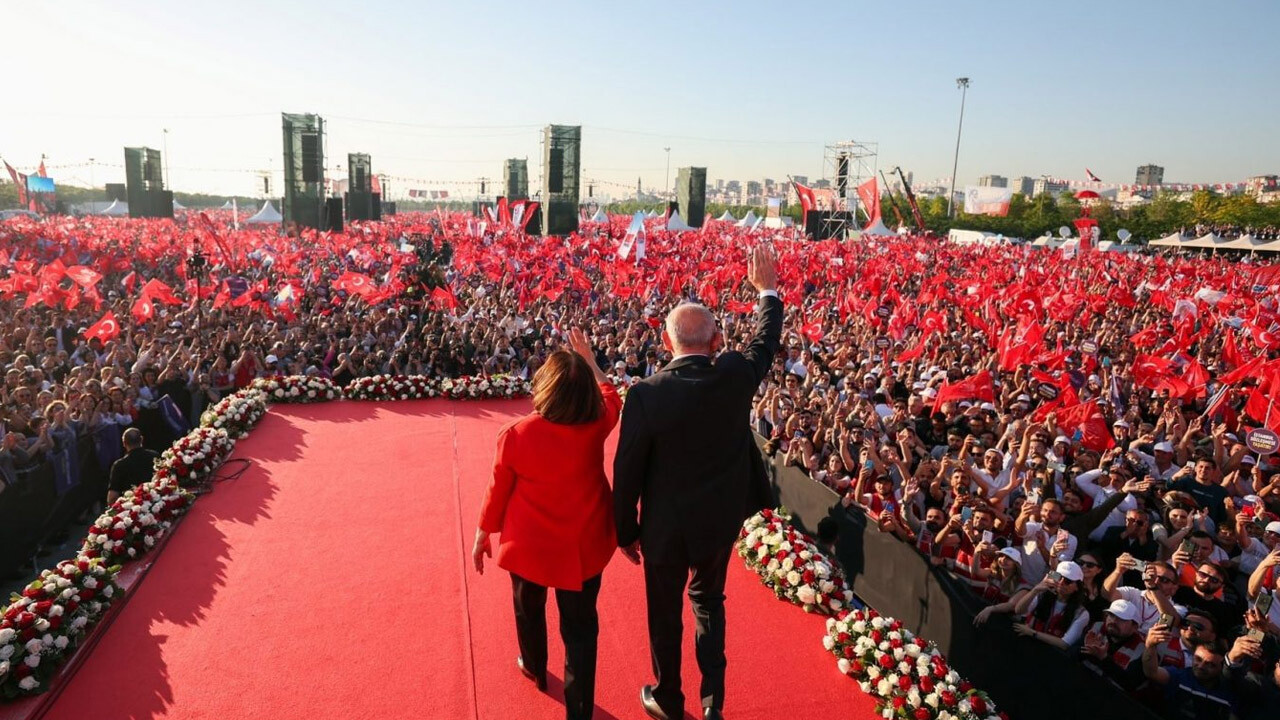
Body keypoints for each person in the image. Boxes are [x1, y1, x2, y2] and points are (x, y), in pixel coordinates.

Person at [613, 244, 782, 720]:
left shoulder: (646, 394)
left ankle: (668, 697)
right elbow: (765, 341)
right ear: (716, 341)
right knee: (709, 601)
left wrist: (624, 530)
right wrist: (766, 290)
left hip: (664, 529)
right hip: (717, 525)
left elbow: (626, 472)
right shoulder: (734, 376)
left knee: (664, 612)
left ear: (667, 344)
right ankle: (713, 702)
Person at [473, 330, 621, 720]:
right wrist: (589, 359)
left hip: (530, 546)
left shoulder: (517, 434)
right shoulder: (597, 424)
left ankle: (536, 667)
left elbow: (497, 489)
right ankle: (580, 710)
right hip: (583, 545)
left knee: (528, 610)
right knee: (581, 631)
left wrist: (482, 533)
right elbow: (612, 396)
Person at [107, 427, 157, 504]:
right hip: (156, 501)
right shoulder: (154, 456)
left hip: (131, 508)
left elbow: (113, 496)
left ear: (123, 443)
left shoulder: (119, 465)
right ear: (141, 439)